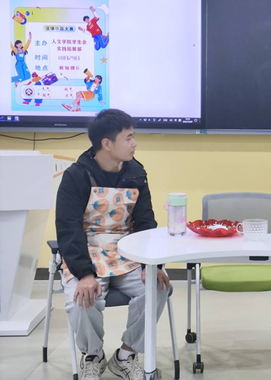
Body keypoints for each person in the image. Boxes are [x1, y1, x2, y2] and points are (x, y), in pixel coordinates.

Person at [56, 109, 170, 380]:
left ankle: (126, 355)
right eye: (128, 138)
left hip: (127, 251)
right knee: (82, 297)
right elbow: (68, 228)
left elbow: (146, 223)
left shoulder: (136, 173)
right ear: (107, 144)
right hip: (87, 253)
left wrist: (151, 265)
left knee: (159, 288)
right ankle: (92, 355)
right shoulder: (76, 175)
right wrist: (84, 273)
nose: (134, 144)